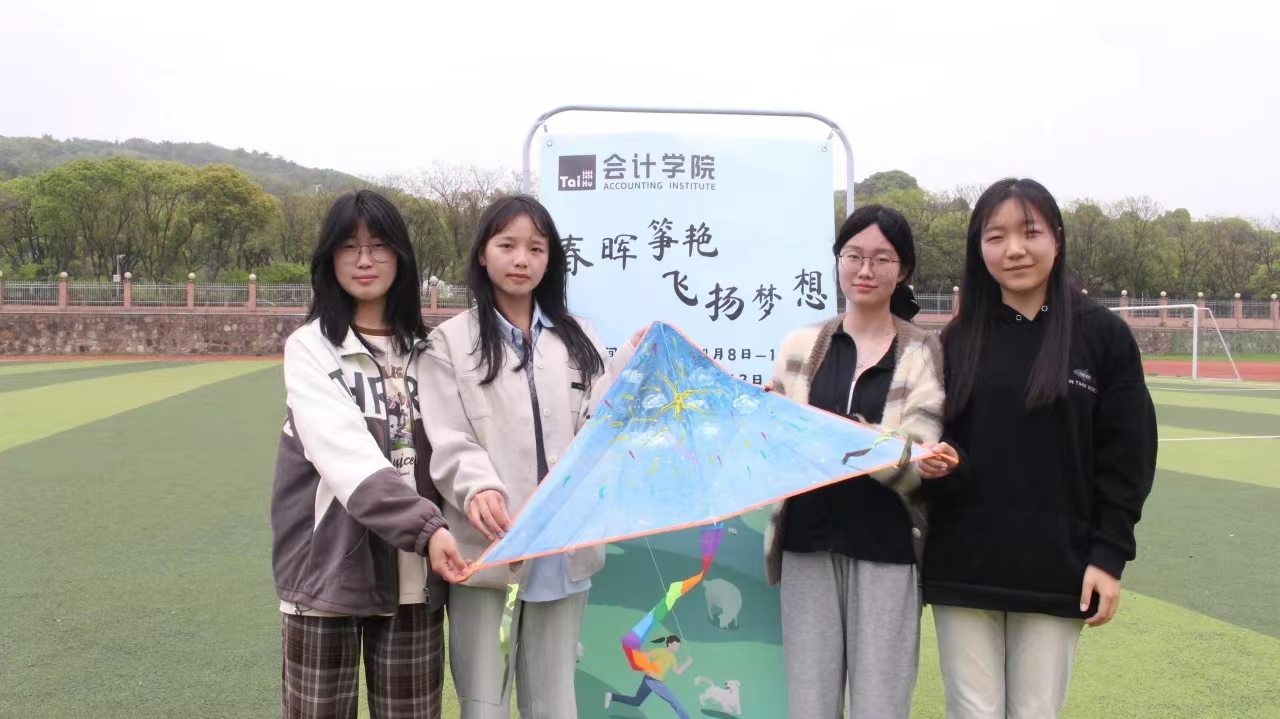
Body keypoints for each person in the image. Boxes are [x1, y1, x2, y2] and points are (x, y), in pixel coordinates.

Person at [918, 178, 1158, 719]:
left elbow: (1128, 457)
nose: (1014, 250)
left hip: (1057, 564)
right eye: (995, 236)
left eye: (1030, 232)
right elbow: (937, 440)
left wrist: (1108, 557)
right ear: (979, 249)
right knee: (971, 711)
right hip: (965, 562)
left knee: (1034, 712)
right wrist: (941, 465)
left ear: (1057, 238)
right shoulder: (958, 338)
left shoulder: (1103, 336)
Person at [419, 194, 643, 719]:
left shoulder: (578, 335)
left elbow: (599, 422)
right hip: (489, 545)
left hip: (564, 548)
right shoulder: (448, 342)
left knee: (554, 700)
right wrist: (478, 487)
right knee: (484, 702)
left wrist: (627, 366)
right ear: (483, 253)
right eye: (508, 245)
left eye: (536, 248)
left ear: (550, 260)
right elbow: (449, 437)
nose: (521, 259)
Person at [270, 189, 469, 719]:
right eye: (348, 246)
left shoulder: (430, 352)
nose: (364, 260)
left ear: (401, 257)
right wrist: (428, 529)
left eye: (378, 245)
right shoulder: (311, 348)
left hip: (414, 576)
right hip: (328, 573)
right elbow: (346, 456)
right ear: (328, 258)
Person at [763, 205, 946, 718]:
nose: (865, 270)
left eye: (882, 259)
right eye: (853, 256)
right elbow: (777, 447)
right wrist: (769, 422)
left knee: (881, 705)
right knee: (810, 703)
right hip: (806, 542)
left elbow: (917, 457)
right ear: (838, 260)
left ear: (903, 270)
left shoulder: (922, 350)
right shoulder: (800, 344)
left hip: (886, 547)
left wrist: (828, 433)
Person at [604, 636, 694, 719]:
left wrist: (687, 663)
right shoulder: (660, 651)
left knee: (636, 701)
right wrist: (649, 668)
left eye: (678, 646)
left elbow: (678, 672)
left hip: (652, 682)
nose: (676, 648)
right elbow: (645, 656)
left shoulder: (673, 658)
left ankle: (611, 696)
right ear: (669, 644)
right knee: (674, 702)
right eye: (675, 645)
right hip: (653, 682)